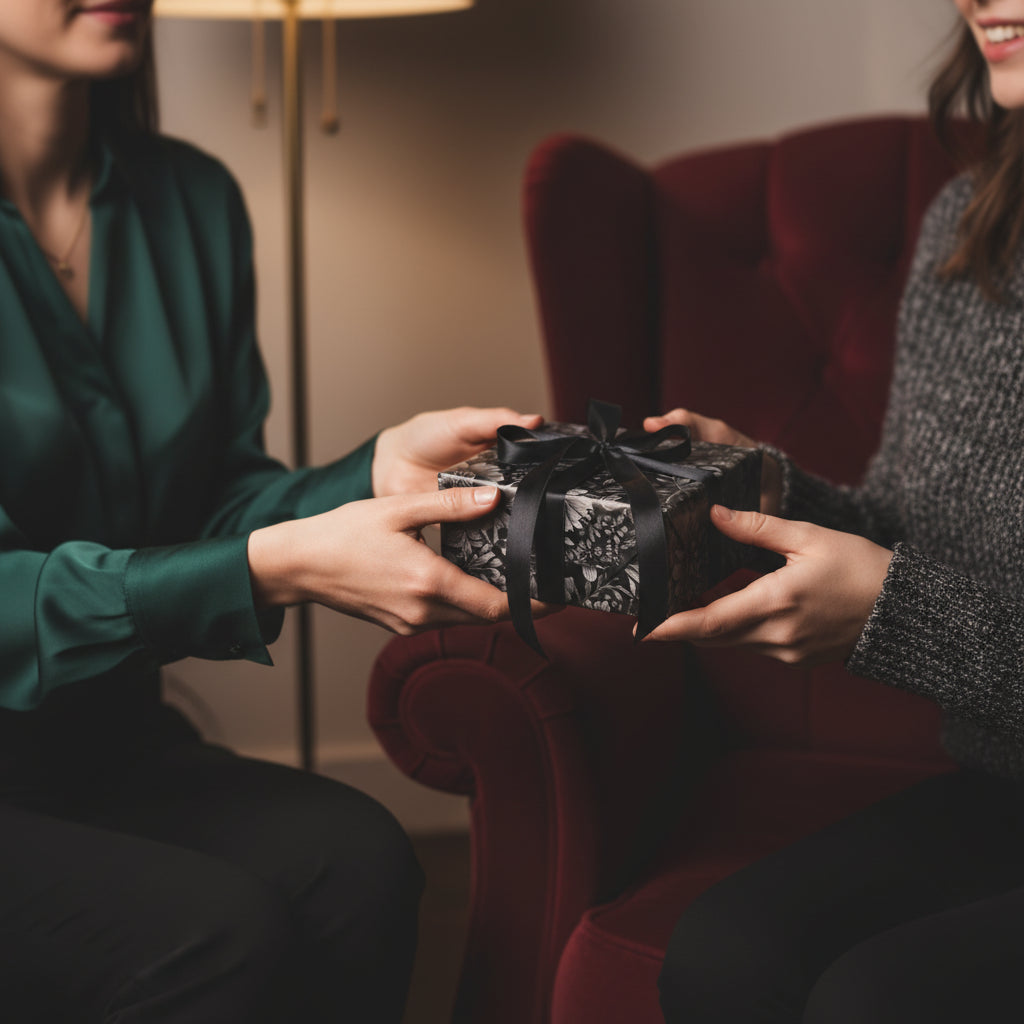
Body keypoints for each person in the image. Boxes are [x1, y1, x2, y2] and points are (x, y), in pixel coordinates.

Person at [0, 3, 541, 1021]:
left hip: (107, 743)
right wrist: (266, 570)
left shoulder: (191, 198)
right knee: (212, 933)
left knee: (364, 863)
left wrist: (373, 475)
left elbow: (221, 504)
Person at [645, 2, 1024, 1022]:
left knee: (875, 1002)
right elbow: (910, 523)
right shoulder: (973, 222)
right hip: (1003, 795)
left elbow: (908, 594)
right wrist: (766, 491)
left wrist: (897, 617)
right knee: (723, 953)